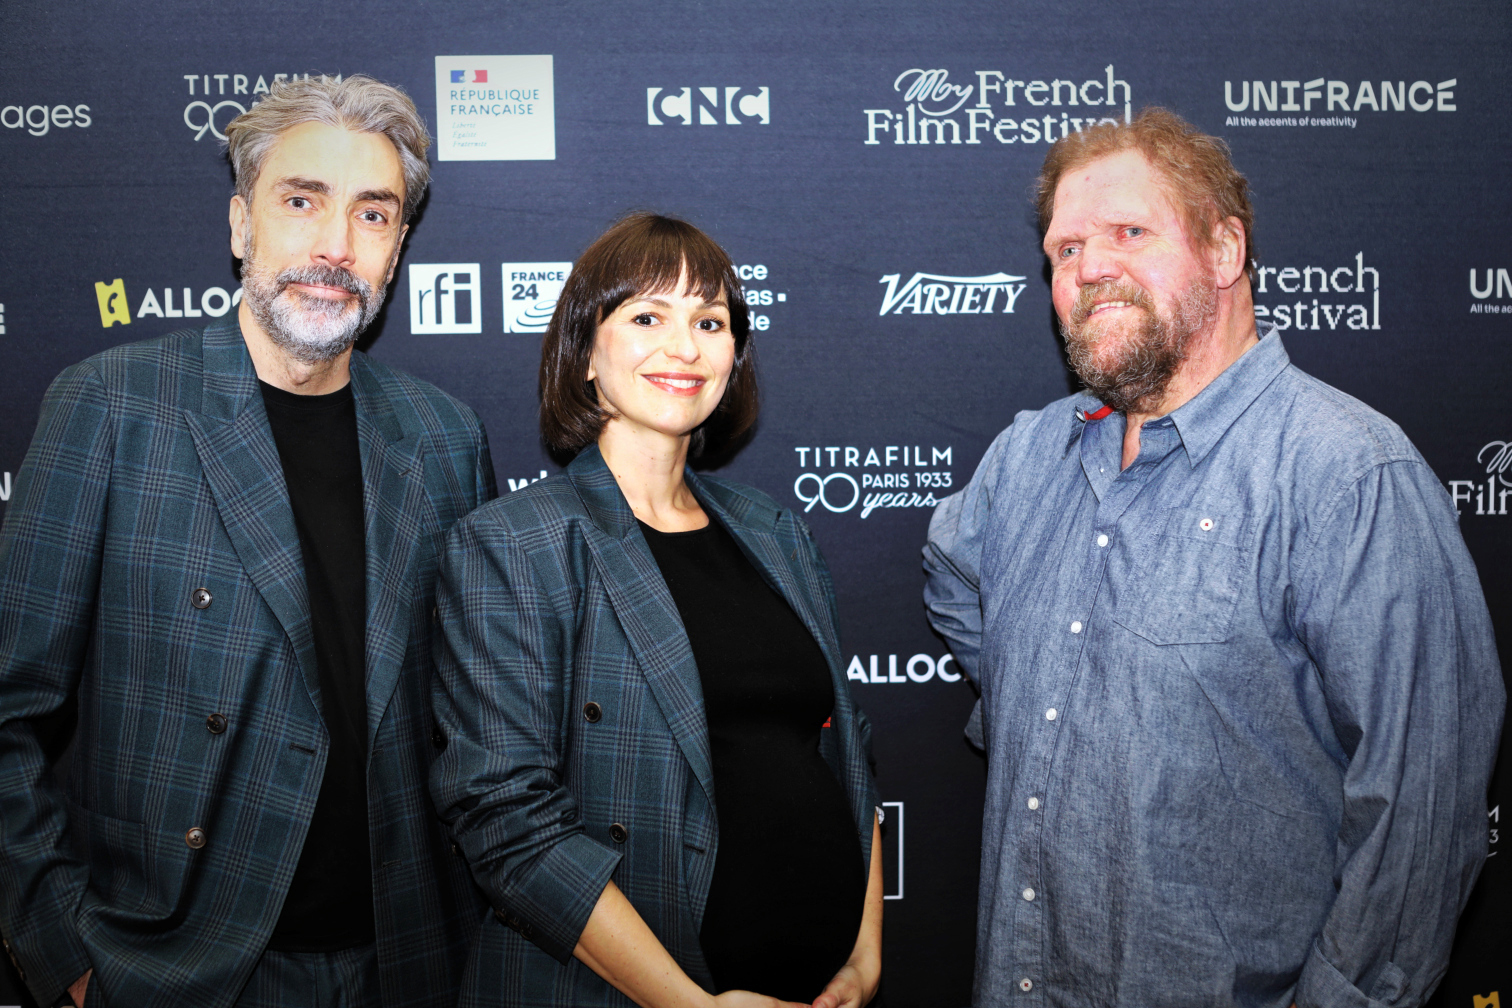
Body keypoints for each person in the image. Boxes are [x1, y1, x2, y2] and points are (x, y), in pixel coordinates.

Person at [923, 108, 1503, 1008]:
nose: (1090, 268)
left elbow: (1420, 814)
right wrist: (1050, 712)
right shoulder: (1031, 455)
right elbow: (953, 573)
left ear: (1226, 253)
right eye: (1064, 251)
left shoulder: (1347, 474)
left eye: (1128, 232)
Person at [0, 76, 495, 1008]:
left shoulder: (443, 436)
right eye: (301, 201)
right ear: (240, 225)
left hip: (413, 964)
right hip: (174, 966)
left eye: (373, 214)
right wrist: (63, 950)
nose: (334, 246)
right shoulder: (113, 406)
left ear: (396, 249)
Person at [430, 213, 883, 1008]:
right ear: (586, 357)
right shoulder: (515, 543)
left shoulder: (774, 534)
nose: (684, 348)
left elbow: (851, 757)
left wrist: (862, 958)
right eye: (647, 318)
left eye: (710, 322)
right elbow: (508, 819)